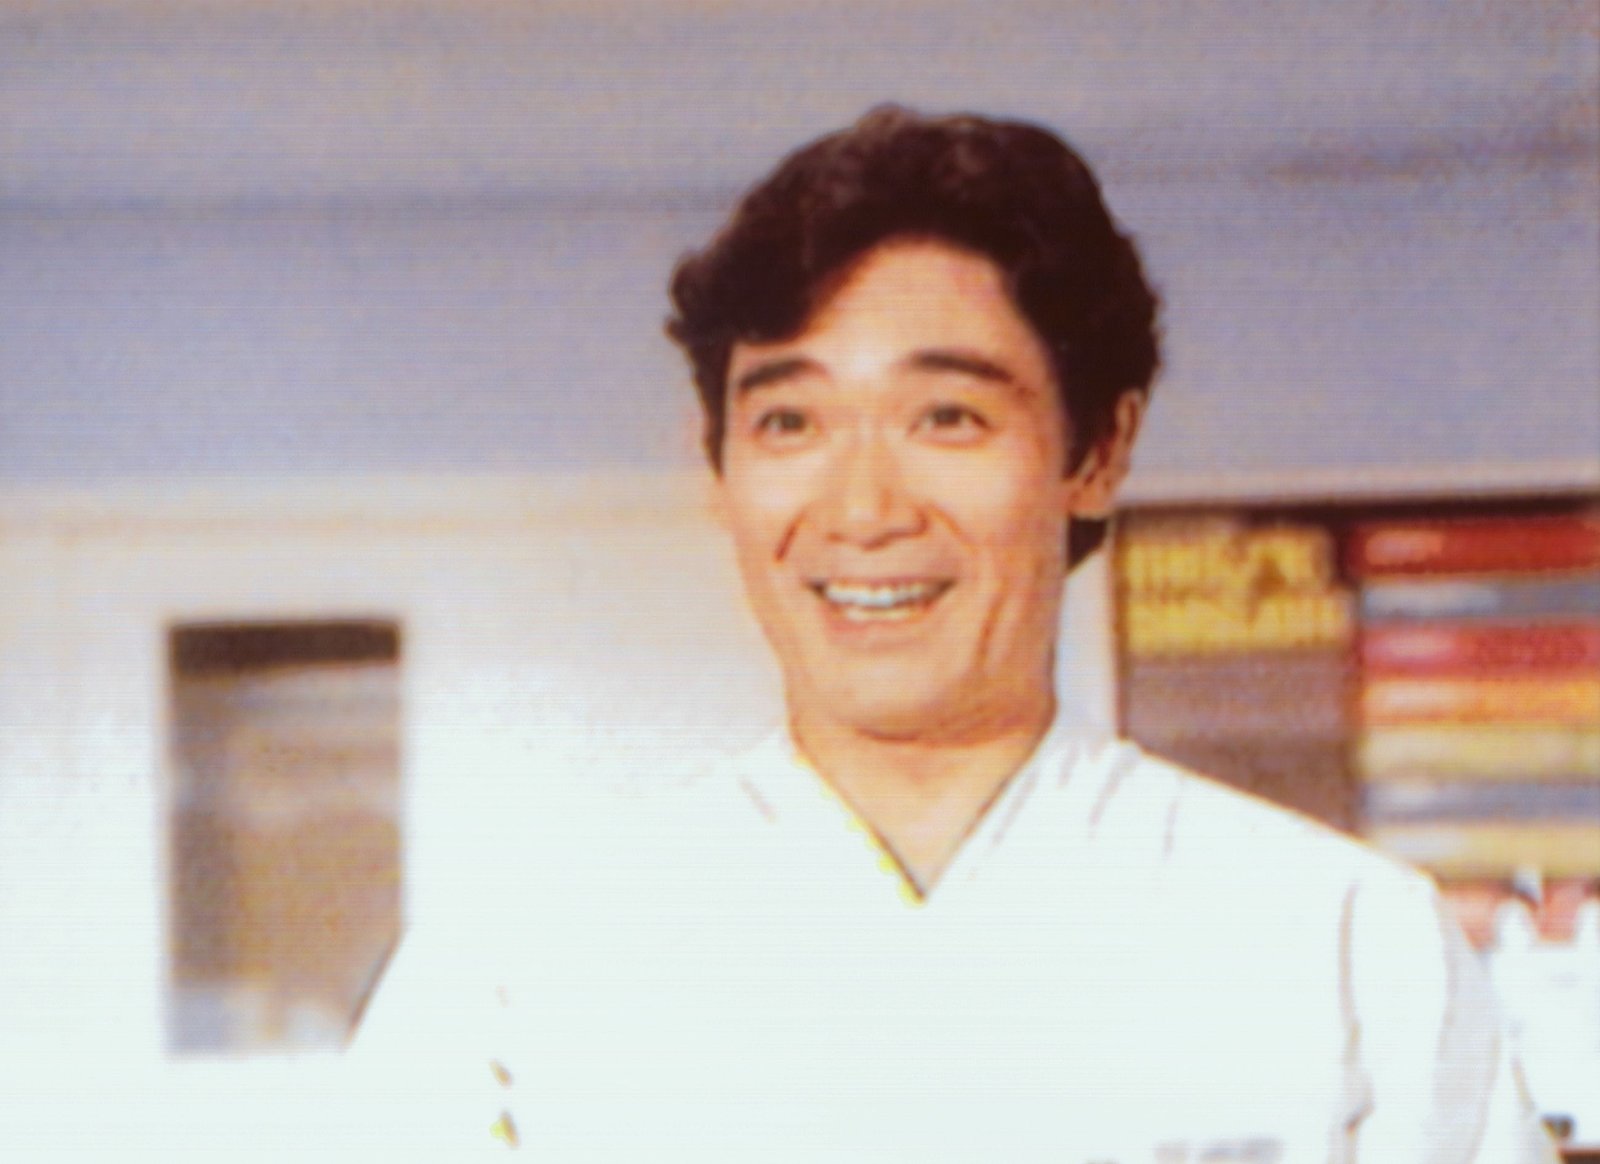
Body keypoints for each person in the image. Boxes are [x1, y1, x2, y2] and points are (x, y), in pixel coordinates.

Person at [351, 107, 1558, 1162]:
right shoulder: (514, 973)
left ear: (1096, 451)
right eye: (789, 423)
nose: (864, 510)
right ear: (715, 466)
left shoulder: (1346, 947)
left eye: (946, 417)